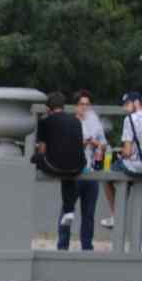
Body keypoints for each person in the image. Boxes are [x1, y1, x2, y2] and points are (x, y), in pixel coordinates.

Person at [102, 91, 142, 229]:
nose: (125, 108)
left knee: (107, 177)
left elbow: (127, 151)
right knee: (125, 177)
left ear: (137, 102)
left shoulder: (130, 119)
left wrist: (121, 153)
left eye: (127, 104)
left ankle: (115, 215)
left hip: (134, 167)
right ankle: (119, 213)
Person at [33, 91, 87, 240]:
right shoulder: (76, 120)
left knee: (36, 158)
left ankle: (68, 210)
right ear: (63, 106)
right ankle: (69, 210)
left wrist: (40, 158)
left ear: (48, 108)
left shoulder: (45, 121)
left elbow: (42, 148)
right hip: (78, 166)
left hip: (56, 166)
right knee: (68, 171)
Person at [59, 89, 107, 251]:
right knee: (67, 210)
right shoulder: (70, 123)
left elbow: (104, 145)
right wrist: (82, 143)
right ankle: (62, 246)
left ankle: (87, 247)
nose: (85, 107)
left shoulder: (96, 124)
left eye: (87, 104)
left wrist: (96, 144)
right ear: (76, 106)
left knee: (89, 213)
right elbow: (63, 147)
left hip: (91, 171)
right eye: (81, 104)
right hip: (74, 172)